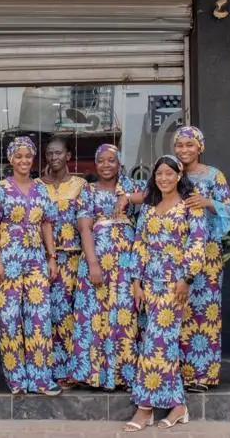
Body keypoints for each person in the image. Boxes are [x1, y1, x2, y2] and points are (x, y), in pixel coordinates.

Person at [124, 155, 207, 432]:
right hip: (150, 284)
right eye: (159, 173)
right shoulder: (149, 207)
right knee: (164, 345)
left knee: (155, 343)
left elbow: (197, 242)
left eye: (169, 174)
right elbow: (140, 243)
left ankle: (144, 408)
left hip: (175, 285)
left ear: (179, 175)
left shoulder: (190, 205)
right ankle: (178, 406)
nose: (163, 178)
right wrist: (136, 281)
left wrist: (187, 278)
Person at [0, 136, 62, 396]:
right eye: (19, 156)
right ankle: (16, 379)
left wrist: (52, 257)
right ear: (11, 159)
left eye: (28, 156)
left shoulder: (40, 189)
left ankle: (41, 379)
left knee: (39, 319)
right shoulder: (1, 188)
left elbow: (47, 223)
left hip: (36, 260)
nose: (24, 160)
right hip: (8, 260)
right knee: (9, 320)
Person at [72, 143, 144, 391]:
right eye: (101, 160)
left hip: (126, 262)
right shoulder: (88, 191)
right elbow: (84, 228)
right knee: (94, 316)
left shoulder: (131, 186)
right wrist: (93, 263)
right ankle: (93, 375)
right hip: (97, 261)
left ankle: (123, 375)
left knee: (123, 314)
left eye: (111, 160)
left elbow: (154, 194)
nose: (106, 165)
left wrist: (128, 198)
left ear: (119, 163)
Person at [172, 125, 230, 392]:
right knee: (178, 308)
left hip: (207, 254)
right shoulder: (171, 173)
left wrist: (207, 202)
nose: (184, 150)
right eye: (179, 145)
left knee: (205, 310)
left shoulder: (213, 175)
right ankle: (175, 373)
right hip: (176, 252)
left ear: (200, 147)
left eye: (190, 145)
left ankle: (202, 375)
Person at [40, 136, 87, 388]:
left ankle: (72, 369)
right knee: (46, 314)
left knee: (69, 313)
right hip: (42, 257)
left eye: (58, 153)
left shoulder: (80, 185)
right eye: (50, 153)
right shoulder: (37, 186)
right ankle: (51, 369)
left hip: (73, 257)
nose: (54, 157)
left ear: (68, 156)